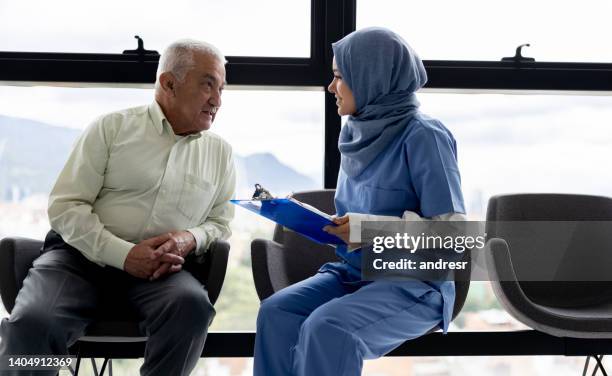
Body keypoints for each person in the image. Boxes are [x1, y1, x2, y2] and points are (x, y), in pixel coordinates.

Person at [0, 39, 235, 376]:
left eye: (222, 88)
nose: (217, 100)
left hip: (160, 273)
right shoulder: (111, 128)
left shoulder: (220, 153)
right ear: (168, 83)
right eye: (208, 84)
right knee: (33, 323)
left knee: (192, 308)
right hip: (78, 259)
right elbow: (67, 206)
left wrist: (189, 239)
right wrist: (125, 255)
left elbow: (220, 222)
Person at [253, 27, 466, 376]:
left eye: (339, 77)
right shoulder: (355, 131)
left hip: (415, 285)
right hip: (354, 273)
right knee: (277, 313)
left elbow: (454, 237)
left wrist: (367, 230)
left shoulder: (425, 137)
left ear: (372, 79)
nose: (330, 87)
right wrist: (317, 222)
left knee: (328, 328)